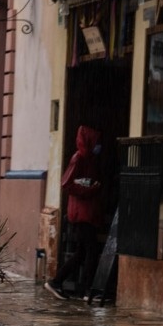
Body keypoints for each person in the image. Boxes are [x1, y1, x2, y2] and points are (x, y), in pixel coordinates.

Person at [45, 125, 103, 300]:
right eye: (95, 142)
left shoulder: (89, 160)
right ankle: (86, 290)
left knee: (82, 252)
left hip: (86, 213)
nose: (98, 146)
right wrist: (90, 189)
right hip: (81, 215)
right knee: (90, 251)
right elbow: (67, 184)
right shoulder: (78, 158)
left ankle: (58, 282)